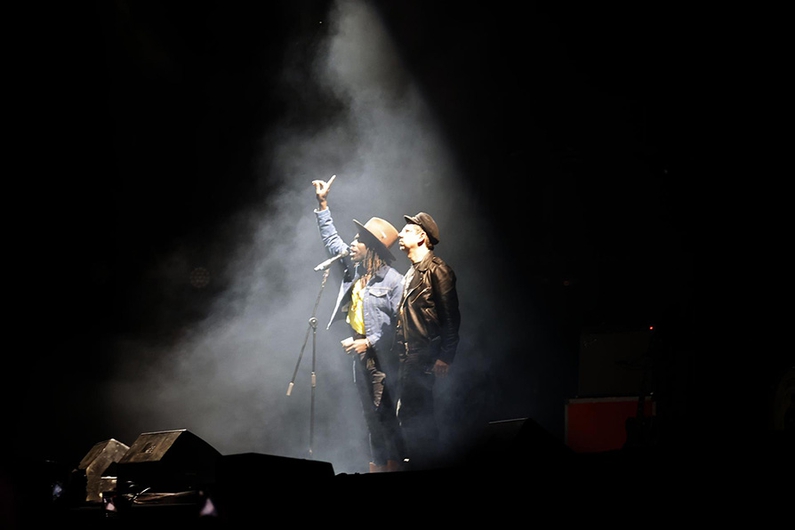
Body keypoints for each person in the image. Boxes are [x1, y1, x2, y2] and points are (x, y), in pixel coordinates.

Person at [311, 175, 405, 473]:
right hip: (361, 356)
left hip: (383, 359)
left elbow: (401, 325)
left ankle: (394, 469)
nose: (351, 245)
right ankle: (375, 470)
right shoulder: (355, 273)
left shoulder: (393, 281)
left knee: (384, 416)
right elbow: (331, 242)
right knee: (369, 418)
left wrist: (370, 341)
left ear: (372, 248)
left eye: (357, 241)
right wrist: (322, 204)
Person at [394, 212, 461, 471]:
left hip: (424, 355)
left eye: (407, 231)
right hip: (408, 355)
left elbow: (450, 317)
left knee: (418, 416)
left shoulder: (438, 270)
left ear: (422, 237)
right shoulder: (411, 273)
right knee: (409, 416)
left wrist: (445, 356)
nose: (401, 234)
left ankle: (428, 467)